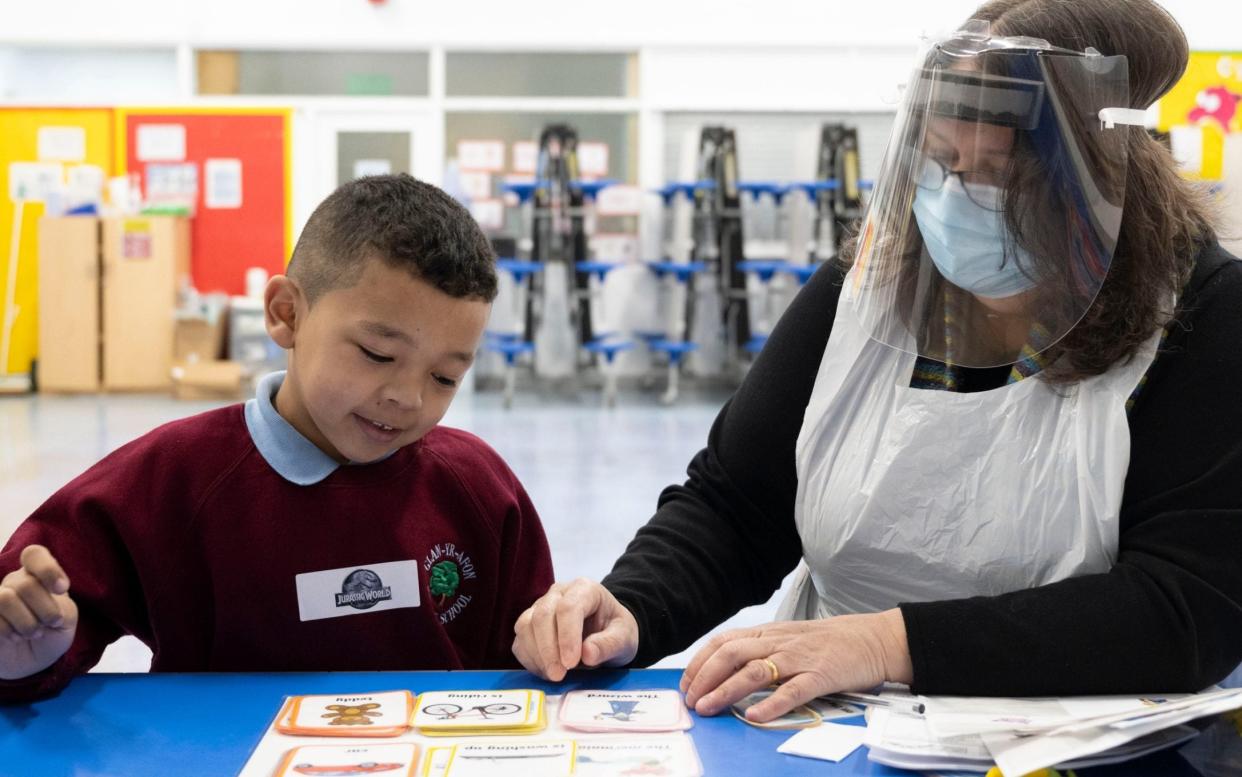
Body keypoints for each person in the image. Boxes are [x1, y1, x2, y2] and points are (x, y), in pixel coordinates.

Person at [513, 0, 1242, 726]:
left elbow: (1186, 607)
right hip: (826, 723)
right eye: (942, 161)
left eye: (996, 171)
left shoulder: (1202, 312)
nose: (959, 197)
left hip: (1079, 740)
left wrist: (887, 640)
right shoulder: (864, 292)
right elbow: (737, 503)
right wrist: (633, 605)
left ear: (1099, 181)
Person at [0, 174, 554, 702]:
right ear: (286, 313)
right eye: (378, 355)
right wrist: (25, 657)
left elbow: (534, 659)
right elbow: (29, 620)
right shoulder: (172, 479)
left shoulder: (478, 487)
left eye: (444, 377)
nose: (408, 399)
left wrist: (565, 636)